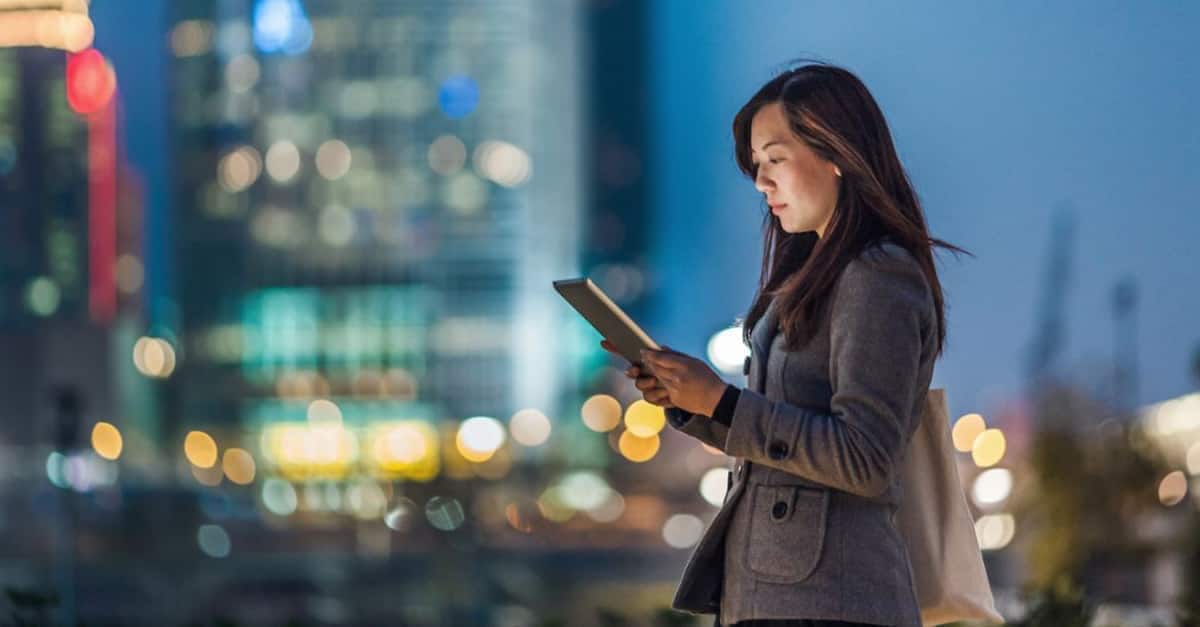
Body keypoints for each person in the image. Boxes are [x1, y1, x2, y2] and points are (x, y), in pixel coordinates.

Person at [601, 60, 970, 627]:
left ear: (837, 155)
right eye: (756, 165)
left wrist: (723, 403)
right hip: (778, 597)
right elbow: (780, 438)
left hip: (834, 602)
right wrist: (687, 401)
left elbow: (866, 458)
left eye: (775, 159)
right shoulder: (811, 275)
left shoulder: (878, 276)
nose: (761, 181)